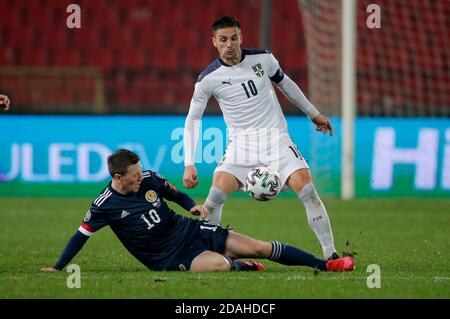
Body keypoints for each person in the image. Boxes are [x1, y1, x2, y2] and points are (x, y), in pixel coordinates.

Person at [41, 149, 354, 273]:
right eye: (134, 175)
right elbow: (80, 237)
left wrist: (192, 206)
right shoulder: (103, 206)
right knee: (219, 266)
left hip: (186, 229)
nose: (141, 177)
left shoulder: (148, 178)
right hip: (166, 257)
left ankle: (327, 265)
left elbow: (175, 193)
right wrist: (58, 267)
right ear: (117, 178)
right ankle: (239, 267)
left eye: (140, 172)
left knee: (260, 245)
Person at [183, 16, 339, 260]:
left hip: (276, 139)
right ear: (214, 41)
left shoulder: (263, 59)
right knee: (213, 199)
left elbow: (286, 84)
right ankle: (213, 253)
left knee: (308, 191)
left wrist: (313, 114)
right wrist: (189, 163)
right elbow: (193, 120)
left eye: (234, 38)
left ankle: (331, 254)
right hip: (241, 145)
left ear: (241, 37)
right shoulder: (208, 79)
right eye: (223, 39)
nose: (229, 44)